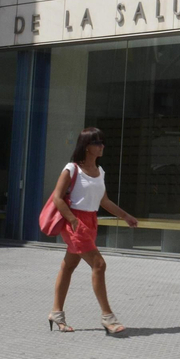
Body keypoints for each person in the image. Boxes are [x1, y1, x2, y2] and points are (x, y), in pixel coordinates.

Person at [48, 127, 138, 334]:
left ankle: (56, 313)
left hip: (90, 221)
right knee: (99, 264)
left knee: (68, 266)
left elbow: (103, 201)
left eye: (102, 142)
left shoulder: (100, 171)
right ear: (87, 146)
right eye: (98, 143)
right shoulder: (71, 169)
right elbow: (57, 198)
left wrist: (125, 216)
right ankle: (108, 317)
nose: (102, 146)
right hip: (75, 222)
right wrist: (71, 219)